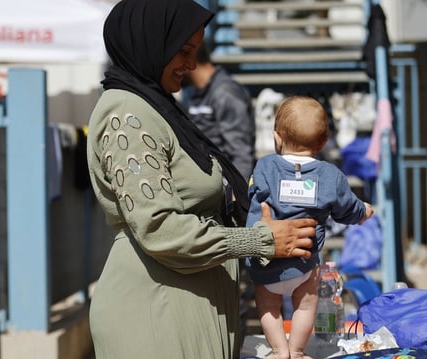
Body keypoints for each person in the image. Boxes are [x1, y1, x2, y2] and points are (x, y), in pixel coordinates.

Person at [86, 1, 318, 358]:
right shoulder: (128, 114)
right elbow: (159, 229)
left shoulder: (157, 107)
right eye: (183, 51)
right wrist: (258, 240)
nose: (192, 65)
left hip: (183, 307)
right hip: (154, 313)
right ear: (151, 42)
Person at [245, 96, 374, 359]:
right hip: (304, 264)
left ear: (277, 138)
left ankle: (280, 351)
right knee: (305, 304)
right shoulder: (330, 176)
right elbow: (347, 209)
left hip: (266, 260)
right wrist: (363, 212)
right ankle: (298, 350)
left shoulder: (265, 166)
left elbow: (253, 196)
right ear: (324, 142)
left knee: (268, 306)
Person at [184, 41, 256, 179]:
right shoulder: (195, 92)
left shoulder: (225, 93)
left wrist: (236, 195)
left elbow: (241, 153)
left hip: (224, 189)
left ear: (190, 58)